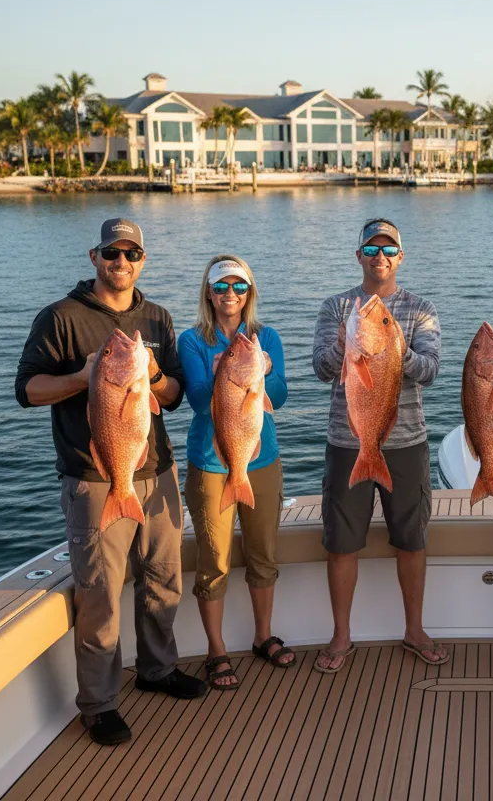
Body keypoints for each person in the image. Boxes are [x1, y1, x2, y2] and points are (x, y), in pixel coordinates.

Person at [14, 218, 206, 747]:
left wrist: (155, 376)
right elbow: (27, 389)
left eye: (132, 254)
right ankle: (98, 704)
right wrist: (83, 377)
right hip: (96, 479)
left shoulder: (157, 317)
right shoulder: (61, 318)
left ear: (143, 259)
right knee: (100, 594)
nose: (122, 262)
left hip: (157, 471)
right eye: (111, 253)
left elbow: (171, 397)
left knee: (163, 578)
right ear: (94, 256)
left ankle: (157, 669)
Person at [310, 218, 446, 673]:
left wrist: (397, 349)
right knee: (342, 542)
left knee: (411, 538)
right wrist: (352, 347)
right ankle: (341, 635)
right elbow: (321, 370)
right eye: (371, 250)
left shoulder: (421, 308)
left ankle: (415, 628)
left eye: (389, 250)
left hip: (406, 441)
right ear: (359, 256)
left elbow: (429, 370)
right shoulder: (337, 307)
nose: (380, 258)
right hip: (348, 442)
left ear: (400, 257)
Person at [178, 256, 291, 691]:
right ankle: (216, 649)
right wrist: (228, 372)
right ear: (208, 292)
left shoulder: (267, 338)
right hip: (210, 463)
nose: (230, 295)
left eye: (239, 287)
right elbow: (198, 399)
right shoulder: (192, 340)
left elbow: (277, 396)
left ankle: (263, 635)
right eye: (221, 287)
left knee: (263, 552)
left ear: (250, 293)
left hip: (261, 461)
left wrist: (261, 371)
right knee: (215, 560)